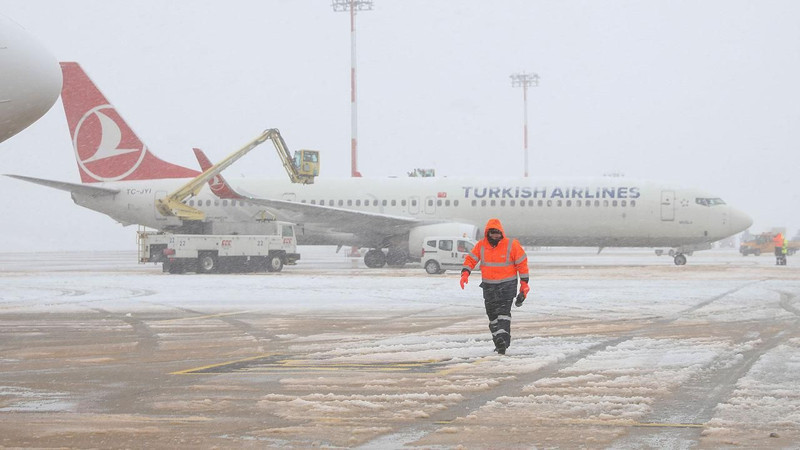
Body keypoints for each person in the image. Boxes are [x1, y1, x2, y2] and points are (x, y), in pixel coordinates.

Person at [460, 218, 529, 355]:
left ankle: (502, 340)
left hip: (507, 286)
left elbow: (522, 264)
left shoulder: (511, 245)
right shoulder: (481, 246)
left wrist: (524, 283)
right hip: (489, 287)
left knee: (503, 315)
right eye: (493, 233)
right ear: (488, 233)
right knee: (492, 316)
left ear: (501, 233)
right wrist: (465, 273)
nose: (495, 236)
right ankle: (499, 340)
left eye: (498, 233)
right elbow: (471, 259)